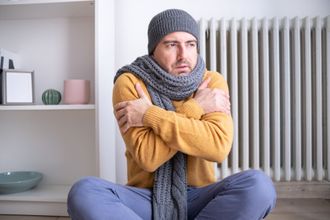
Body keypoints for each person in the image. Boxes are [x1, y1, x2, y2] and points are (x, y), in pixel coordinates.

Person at [67, 9, 276, 220]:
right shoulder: (130, 82)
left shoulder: (211, 82)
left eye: (190, 44)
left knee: (259, 186)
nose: (183, 55)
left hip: (201, 197)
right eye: (171, 44)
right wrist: (196, 108)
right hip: (144, 199)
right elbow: (148, 158)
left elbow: (218, 147)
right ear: (153, 50)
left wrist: (149, 114)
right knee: (84, 191)